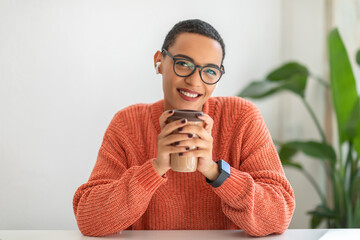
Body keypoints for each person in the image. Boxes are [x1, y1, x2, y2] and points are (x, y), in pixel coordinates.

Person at [73, 19, 295, 237]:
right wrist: (154, 169)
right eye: (184, 64)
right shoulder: (128, 123)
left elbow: (278, 216)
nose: (195, 82)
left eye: (209, 71)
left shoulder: (241, 118)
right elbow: (89, 219)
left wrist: (215, 172)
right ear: (159, 61)